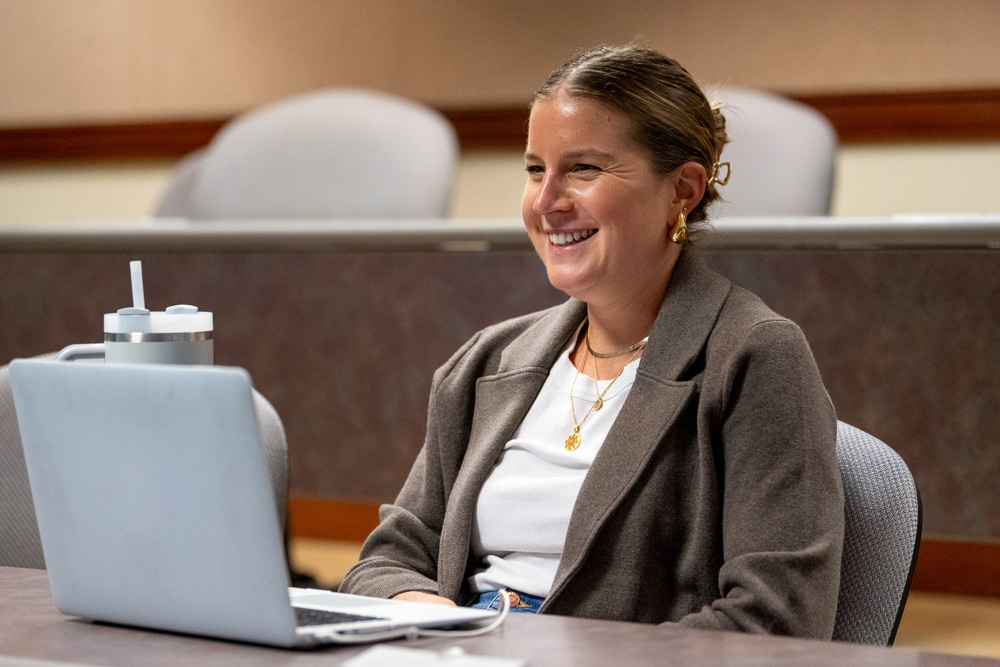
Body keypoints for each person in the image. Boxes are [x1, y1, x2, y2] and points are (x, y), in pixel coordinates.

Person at [340, 45, 844, 638]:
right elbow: (386, 560)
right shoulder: (485, 361)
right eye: (535, 170)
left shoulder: (754, 357)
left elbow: (777, 618)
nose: (546, 201)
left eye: (583, 169)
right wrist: (425, 611)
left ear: (683, 191)